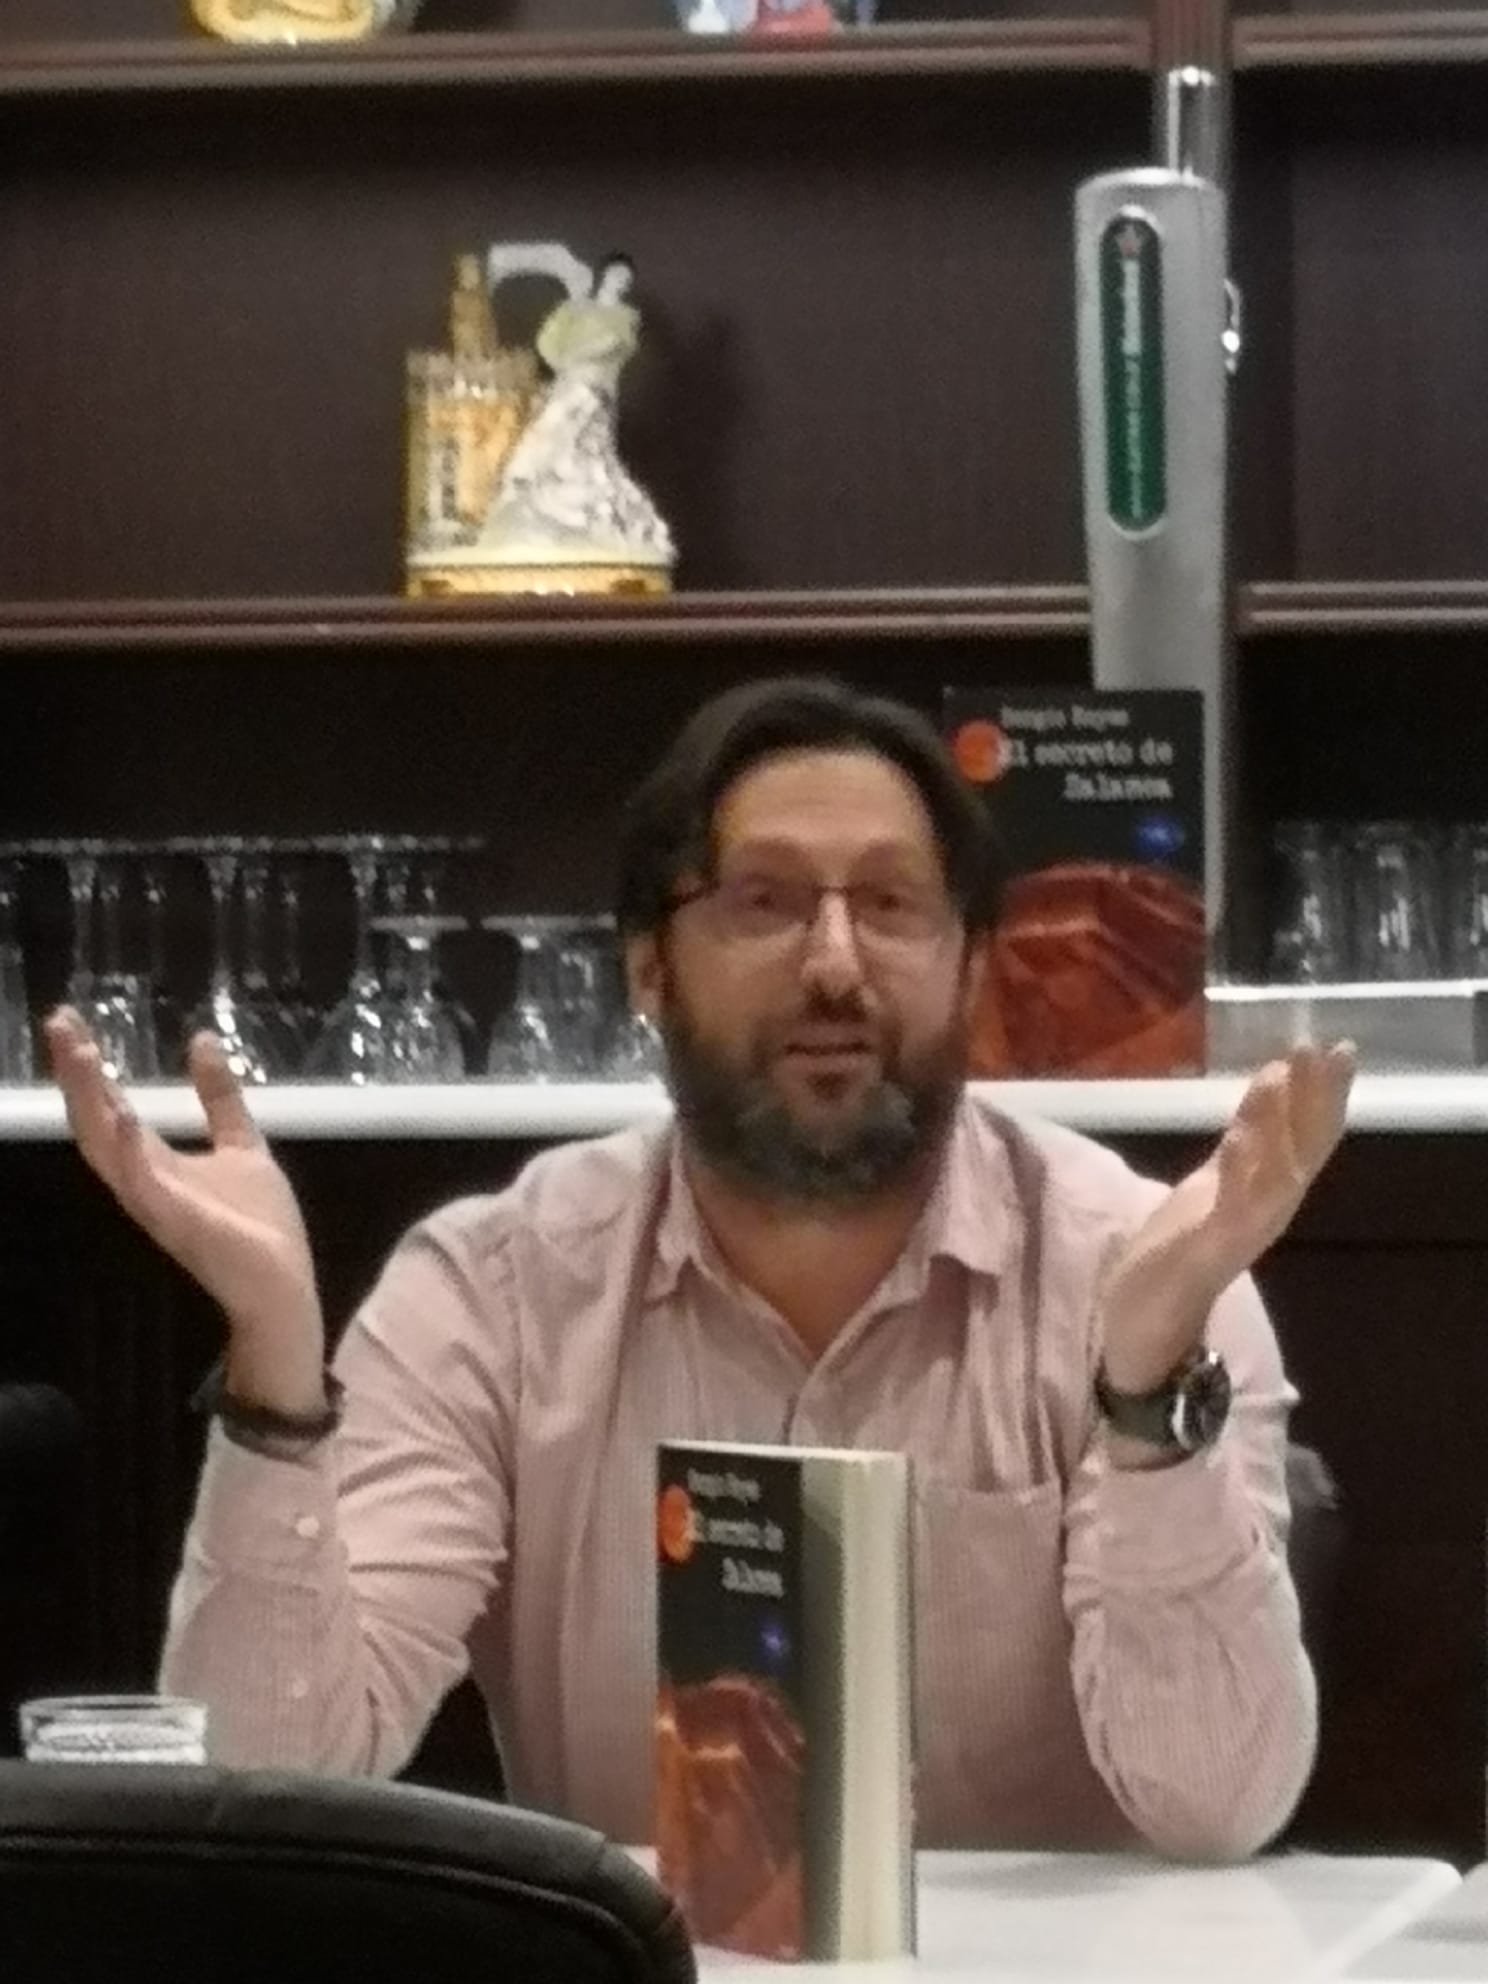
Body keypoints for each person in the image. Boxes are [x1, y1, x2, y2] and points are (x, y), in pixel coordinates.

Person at [46, 676, 1353, 1859]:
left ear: (970, 968)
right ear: (649, 969)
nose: (834, 964)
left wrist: (1146, 1394)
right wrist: (275, 1364)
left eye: (891, 905)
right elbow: (270, 1786)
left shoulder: (1141, 1275)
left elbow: (1218, 1809)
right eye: (763, 903)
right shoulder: (492, 1295)